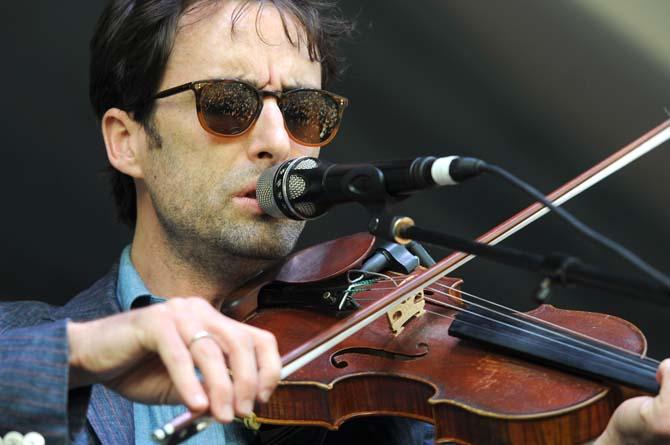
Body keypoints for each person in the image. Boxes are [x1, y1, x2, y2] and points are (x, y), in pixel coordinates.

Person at [0, 1, 668, 444]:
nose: (275, 140)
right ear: (128, 140)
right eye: (226, 103)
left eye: (303, 111)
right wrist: (84, 351)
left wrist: (618, 436)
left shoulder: (378, 399)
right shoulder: (31, 344)